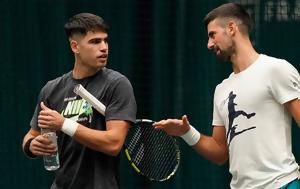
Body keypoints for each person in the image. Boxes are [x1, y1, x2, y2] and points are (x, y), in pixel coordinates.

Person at [153, 3, 300, 189]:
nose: (209, 44)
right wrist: (186, 132)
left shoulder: (276, 70)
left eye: (212, 35)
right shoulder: (221, 90)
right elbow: (220, 152)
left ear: (231, 28)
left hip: (283, 185)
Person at [22, 13, 137, 189]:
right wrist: (31, 145)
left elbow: (114, 143)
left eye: (105, 41)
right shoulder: (51, 89)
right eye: (95, 42)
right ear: (75, 46)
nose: (104, 47)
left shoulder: (117, 84)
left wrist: (64, 124)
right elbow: (31, 135)